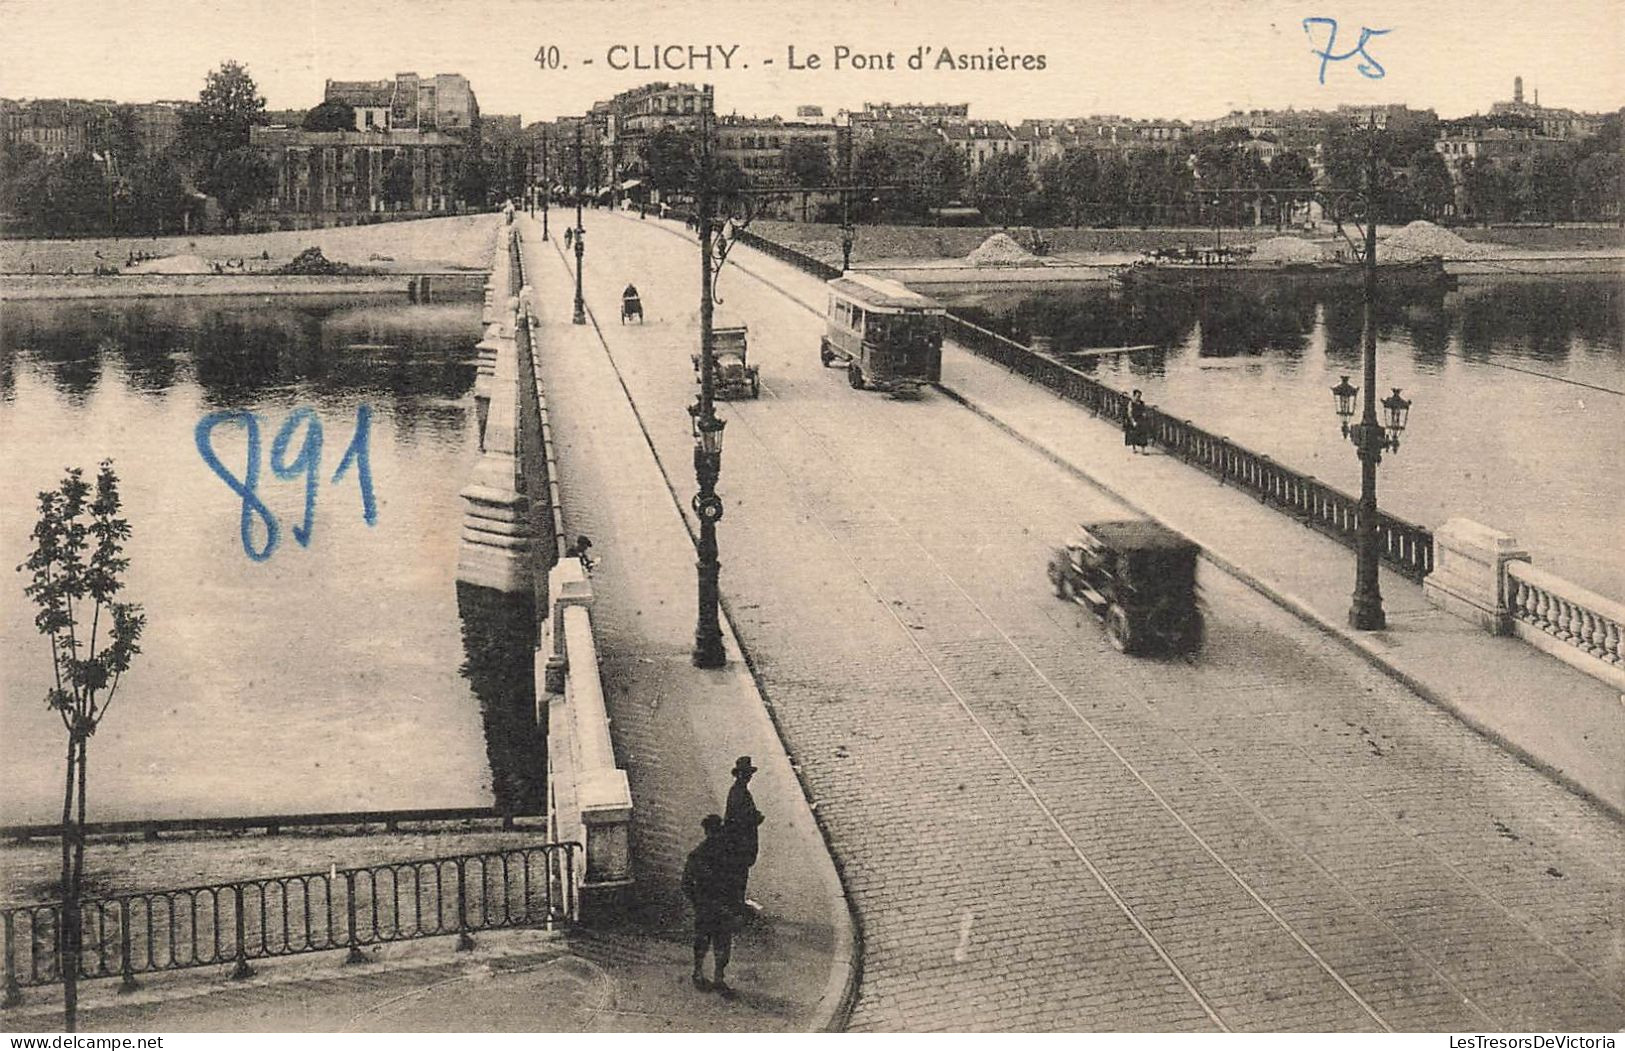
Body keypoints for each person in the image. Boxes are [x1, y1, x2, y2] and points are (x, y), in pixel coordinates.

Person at [682, 814, 736, 995]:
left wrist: (697, 902)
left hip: (710, 906)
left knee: (714, 942)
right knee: (713, 943)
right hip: (714, 906)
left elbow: (686, 884)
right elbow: (686, 883)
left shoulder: (703, 854)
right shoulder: (719, 854)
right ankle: (707, 975)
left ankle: (711, 975)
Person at [723, 755, 764, 916]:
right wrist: (756, 818)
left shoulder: (739, 791)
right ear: (740, 775)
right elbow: (740, 819)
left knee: (739, 873)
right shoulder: (738, 793)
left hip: (738, 840)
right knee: (738, 874)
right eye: (746, 774)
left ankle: (736, 903)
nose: (749, 777)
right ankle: (736, 906)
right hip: (739, 841)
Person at [1124, 389, 1150, 454]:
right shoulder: (1131, 403)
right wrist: (1133, 422)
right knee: (1133, 434)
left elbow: (1144, 410)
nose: (1139, 398)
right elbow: (1129, 413)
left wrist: (1144, 415)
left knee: (1143, 435)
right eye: (1137, 396)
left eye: (1139, 396)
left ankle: (1143, 450)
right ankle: (1134, 448)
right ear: (1134, 396)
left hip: (1140, 420)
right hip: (1134, 419)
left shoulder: (1142, 403)